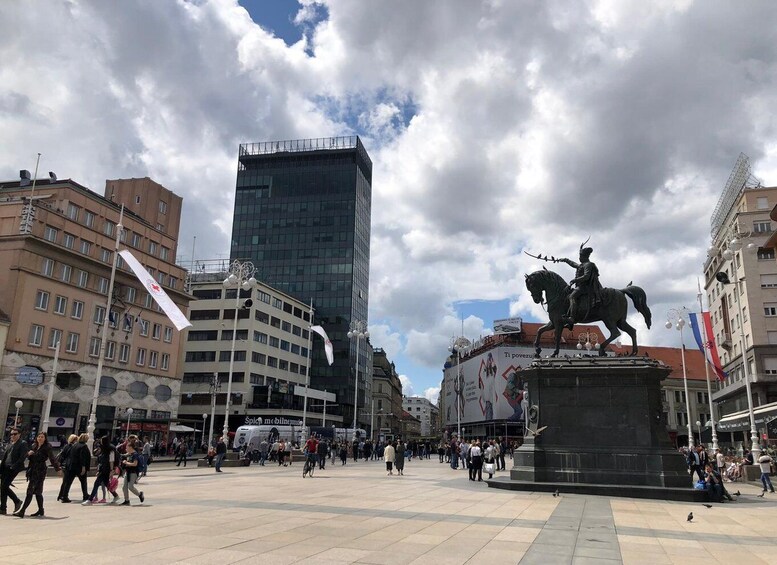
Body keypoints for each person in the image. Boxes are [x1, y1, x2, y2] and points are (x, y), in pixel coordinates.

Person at [14, 432, 62, 518]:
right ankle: (41, 510)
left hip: (40, 470)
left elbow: (52, 458)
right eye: (39, 437)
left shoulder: (47, 447)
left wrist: (57, 468)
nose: (40, 438)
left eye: (42, 437)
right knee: (38, 492)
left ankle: (22, 511)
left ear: (45, 438)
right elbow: (28, 457)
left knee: (30, 491)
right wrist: (29, 454)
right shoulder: (34, 446)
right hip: (32, 469)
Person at [559, 245, 603, 327]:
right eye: (579, 256)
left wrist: (575, 280)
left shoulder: (588, 265)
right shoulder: (582, 265)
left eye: (581, 256)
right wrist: (565, 260)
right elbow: (573, 264)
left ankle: (572, 318)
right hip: (580, 287)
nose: (579, 258)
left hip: (586, 287)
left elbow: (586, 276)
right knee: (568, 295)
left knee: (571, 297)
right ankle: (569, 319)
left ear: (585, 256)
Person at [84, 436, 121, 505]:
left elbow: (111, 460)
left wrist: (111, 470)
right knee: (107, 484)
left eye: (101, 440)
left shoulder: (110, 449)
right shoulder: (104, 449)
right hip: (103, 468)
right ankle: (115, 495)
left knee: (96, 484)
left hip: (106, 469)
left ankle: (90, 499)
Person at [0, 428, 29, 515]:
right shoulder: (10, 444)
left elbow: (22, 457)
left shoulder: (23, 444)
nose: (12, 435)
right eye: (11, 434)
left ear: (19, 434)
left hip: (13, 468)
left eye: (15, 434)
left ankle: (17, 501)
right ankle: (3, 508)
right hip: (5, 467)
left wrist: (14, 466)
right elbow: (5, 457)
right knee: (3, 487)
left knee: (4, 486)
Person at [59, 433, 90, 503]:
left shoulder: (74, 445)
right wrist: (83, 467)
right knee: (83, 482)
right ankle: (85, 495)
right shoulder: (84, 446)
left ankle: (64, 496)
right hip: (79, 467)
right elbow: (83, 458)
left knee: (68, 482)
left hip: (72, 466)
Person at [120, 439, 145, 505]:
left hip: (133, 473)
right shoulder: (129, 454)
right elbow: (124, 455)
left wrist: (126, 462)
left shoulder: (135, 454)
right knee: (124, 487)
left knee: (130, 487)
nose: (126, 448)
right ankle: (127, 500)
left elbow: (135, 464)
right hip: (128, 472)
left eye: (127, 447)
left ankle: (140, 494)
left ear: (130, 447)